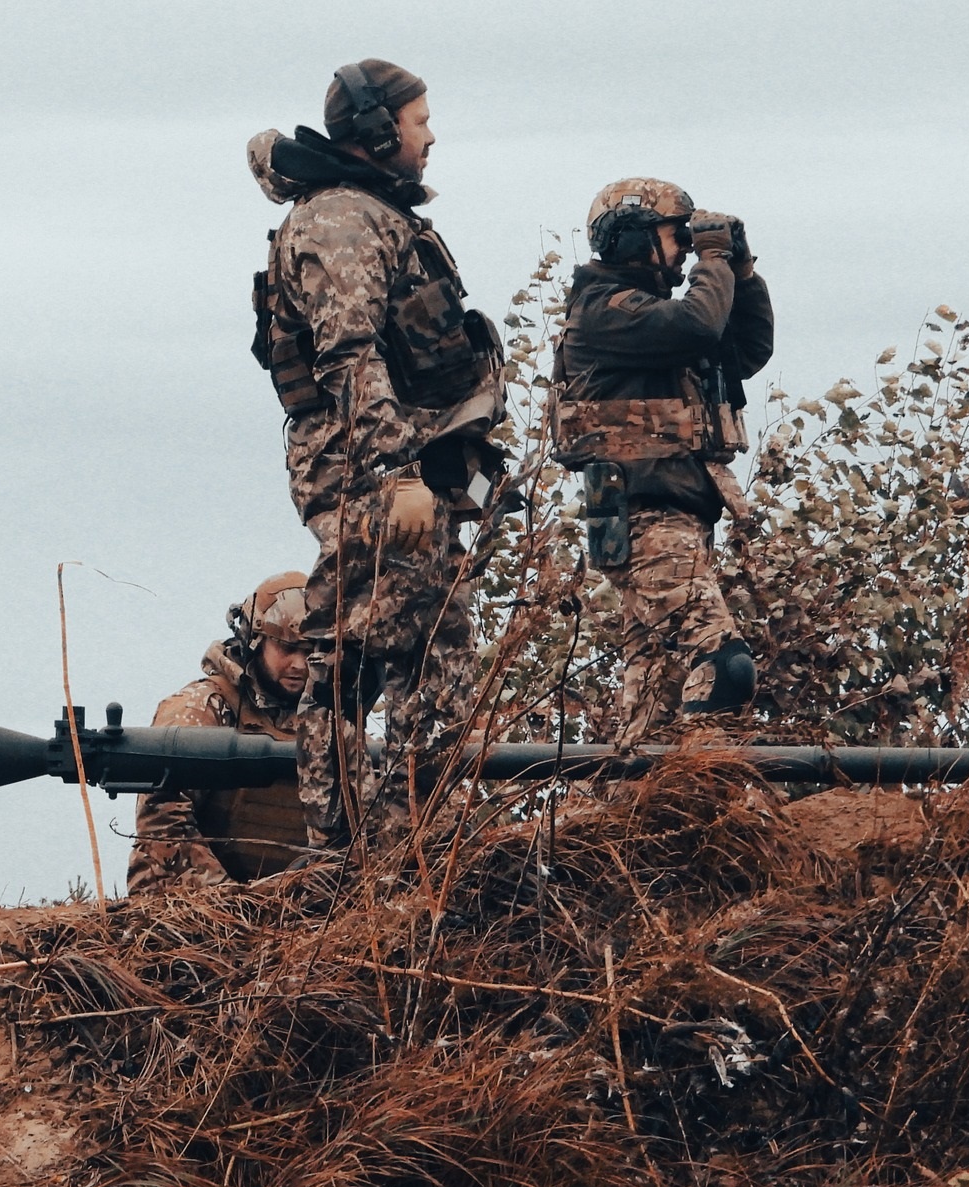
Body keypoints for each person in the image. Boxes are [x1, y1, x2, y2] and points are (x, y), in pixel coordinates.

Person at [247, 59, 505, 850]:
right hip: (374, 477)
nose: (430, 136)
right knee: (388, 661)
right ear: (378, 130)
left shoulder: (374, 215)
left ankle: (386, 851)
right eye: (419, 121)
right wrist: (395, 477)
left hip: (402, 474)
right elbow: (350, 353)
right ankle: (370, 858)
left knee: (402, 661)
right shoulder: (343, 220)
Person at [547, 179, 774, 745]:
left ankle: (638, 821)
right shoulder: (605, 311)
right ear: (632, 241)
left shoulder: (655, 321)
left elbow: (746, 348)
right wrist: (716, 259)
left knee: (657, 709)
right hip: (642, 517)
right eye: (678, 237)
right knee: (724, 665)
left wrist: (740, 272)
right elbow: (699, 323)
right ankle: (703, 796)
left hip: (674, 522)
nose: (687, 250)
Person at [127, 572, 312, 892]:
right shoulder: (201, 707)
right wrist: (234, 900)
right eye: (286, 647)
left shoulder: (325, 718)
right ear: (255, 641)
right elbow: (162, 821)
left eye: (311, 650)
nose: (299, 664)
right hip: (193, 900)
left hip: (291, 908)